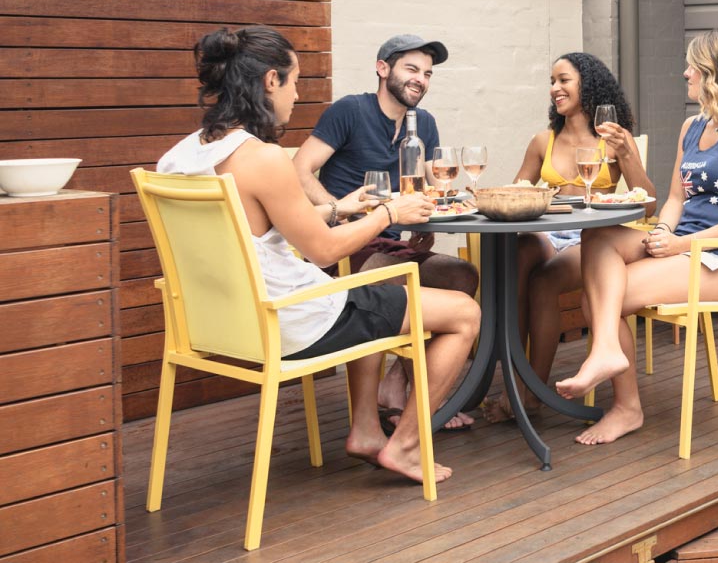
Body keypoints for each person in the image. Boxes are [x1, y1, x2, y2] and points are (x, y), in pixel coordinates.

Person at [157, 26, 480, 483]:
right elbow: (324, 248)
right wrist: (388, 213)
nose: (295, 95)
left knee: (383, 289)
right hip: (297, 319)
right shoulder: (263, 158)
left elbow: (271, 224)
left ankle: (367, 431)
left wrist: (335, 207)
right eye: (294, 82)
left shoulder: (179, 157)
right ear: (271, 81)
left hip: (226, 322)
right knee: (464, 312)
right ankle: (405, 446)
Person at [557, 28, 718, 445]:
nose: (685, 73)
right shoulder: (691, 127)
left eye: (693, 66)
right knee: (599, 237)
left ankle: (626, 406)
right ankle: (607, 351)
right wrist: (662, 231)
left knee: (600, 298)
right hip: (682, 246)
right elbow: (675, 197)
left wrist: (682, 245)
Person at [292, 34, 480, 428]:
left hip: (389, 244)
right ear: (383, 69)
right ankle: (419, 406)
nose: (421, 80)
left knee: (460, 274)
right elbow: (299, 168)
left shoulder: (423, 123)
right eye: (411, 69)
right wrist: (336, 210)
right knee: (390, 276)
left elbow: (430, 183)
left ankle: (397, 382)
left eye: (427, 74)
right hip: (344, 248)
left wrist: (431, 210)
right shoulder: (350, 111)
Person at [487, 53, 654, 422]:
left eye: (564, 80)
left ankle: (531, 391)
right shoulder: (542, 141)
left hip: (594, 241)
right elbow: (518, 193)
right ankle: (508, 377)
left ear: (587, 84)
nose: (555, 89)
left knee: (544, 281)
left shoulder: (614, 140)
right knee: (516, 255)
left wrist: (627, 155)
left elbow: (647, 203)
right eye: (552, 81)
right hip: (548, 233)